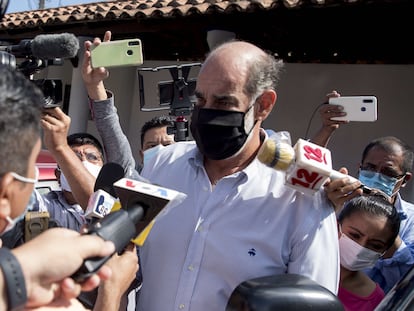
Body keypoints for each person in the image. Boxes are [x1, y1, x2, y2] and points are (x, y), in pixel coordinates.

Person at [83, 31, 340, 310]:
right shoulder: (161, 166)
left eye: (223, 102)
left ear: (263, 105)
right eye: (201, 101)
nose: (206, 113)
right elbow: (126, 266)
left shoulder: (300, 199)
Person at [0, 65, 118, 310]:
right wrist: (112, 290)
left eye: (91, 158)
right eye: (30, 165)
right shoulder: (43, 206)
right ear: (6, 193)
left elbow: (103, 207)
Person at [313, 92, 414, 293]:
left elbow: (406, 280)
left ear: (404, 180)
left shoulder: (411, 221)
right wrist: (326, 130)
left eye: (387, 172)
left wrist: (385, 222)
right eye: (369, 168)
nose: (376, 176)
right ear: (359, 168)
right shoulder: (339, 197)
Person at [337, 194, 400, 311]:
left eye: (375, 245)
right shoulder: (303, 263)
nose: (361, 247)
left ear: (384, 251)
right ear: (337, 226)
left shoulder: (374, 300)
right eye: (355, 235)